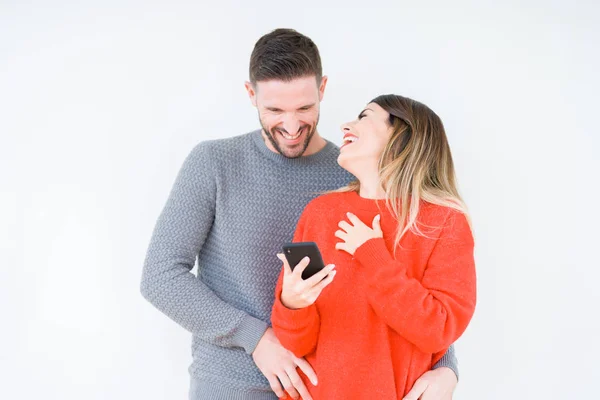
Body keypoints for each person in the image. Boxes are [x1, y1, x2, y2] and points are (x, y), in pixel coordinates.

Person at [141, 29, 460, 400]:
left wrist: (446, 367)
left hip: (331, 390)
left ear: (322, 89)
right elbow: (160, 276)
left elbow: (409, 278)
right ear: (251, 94)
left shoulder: (356, 171)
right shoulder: (214, 164)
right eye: (275, 110)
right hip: (233, 387)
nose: (291, 127)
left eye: (304, 109)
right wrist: (256, 338)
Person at [271, 94, 477, 399]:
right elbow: (298, 345)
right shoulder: (321, 212)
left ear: (401, 135)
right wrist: (292, 304)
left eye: (364, 116)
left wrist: (373, 254)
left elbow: (439, 330)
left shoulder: (443, 221)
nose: (346, 125)